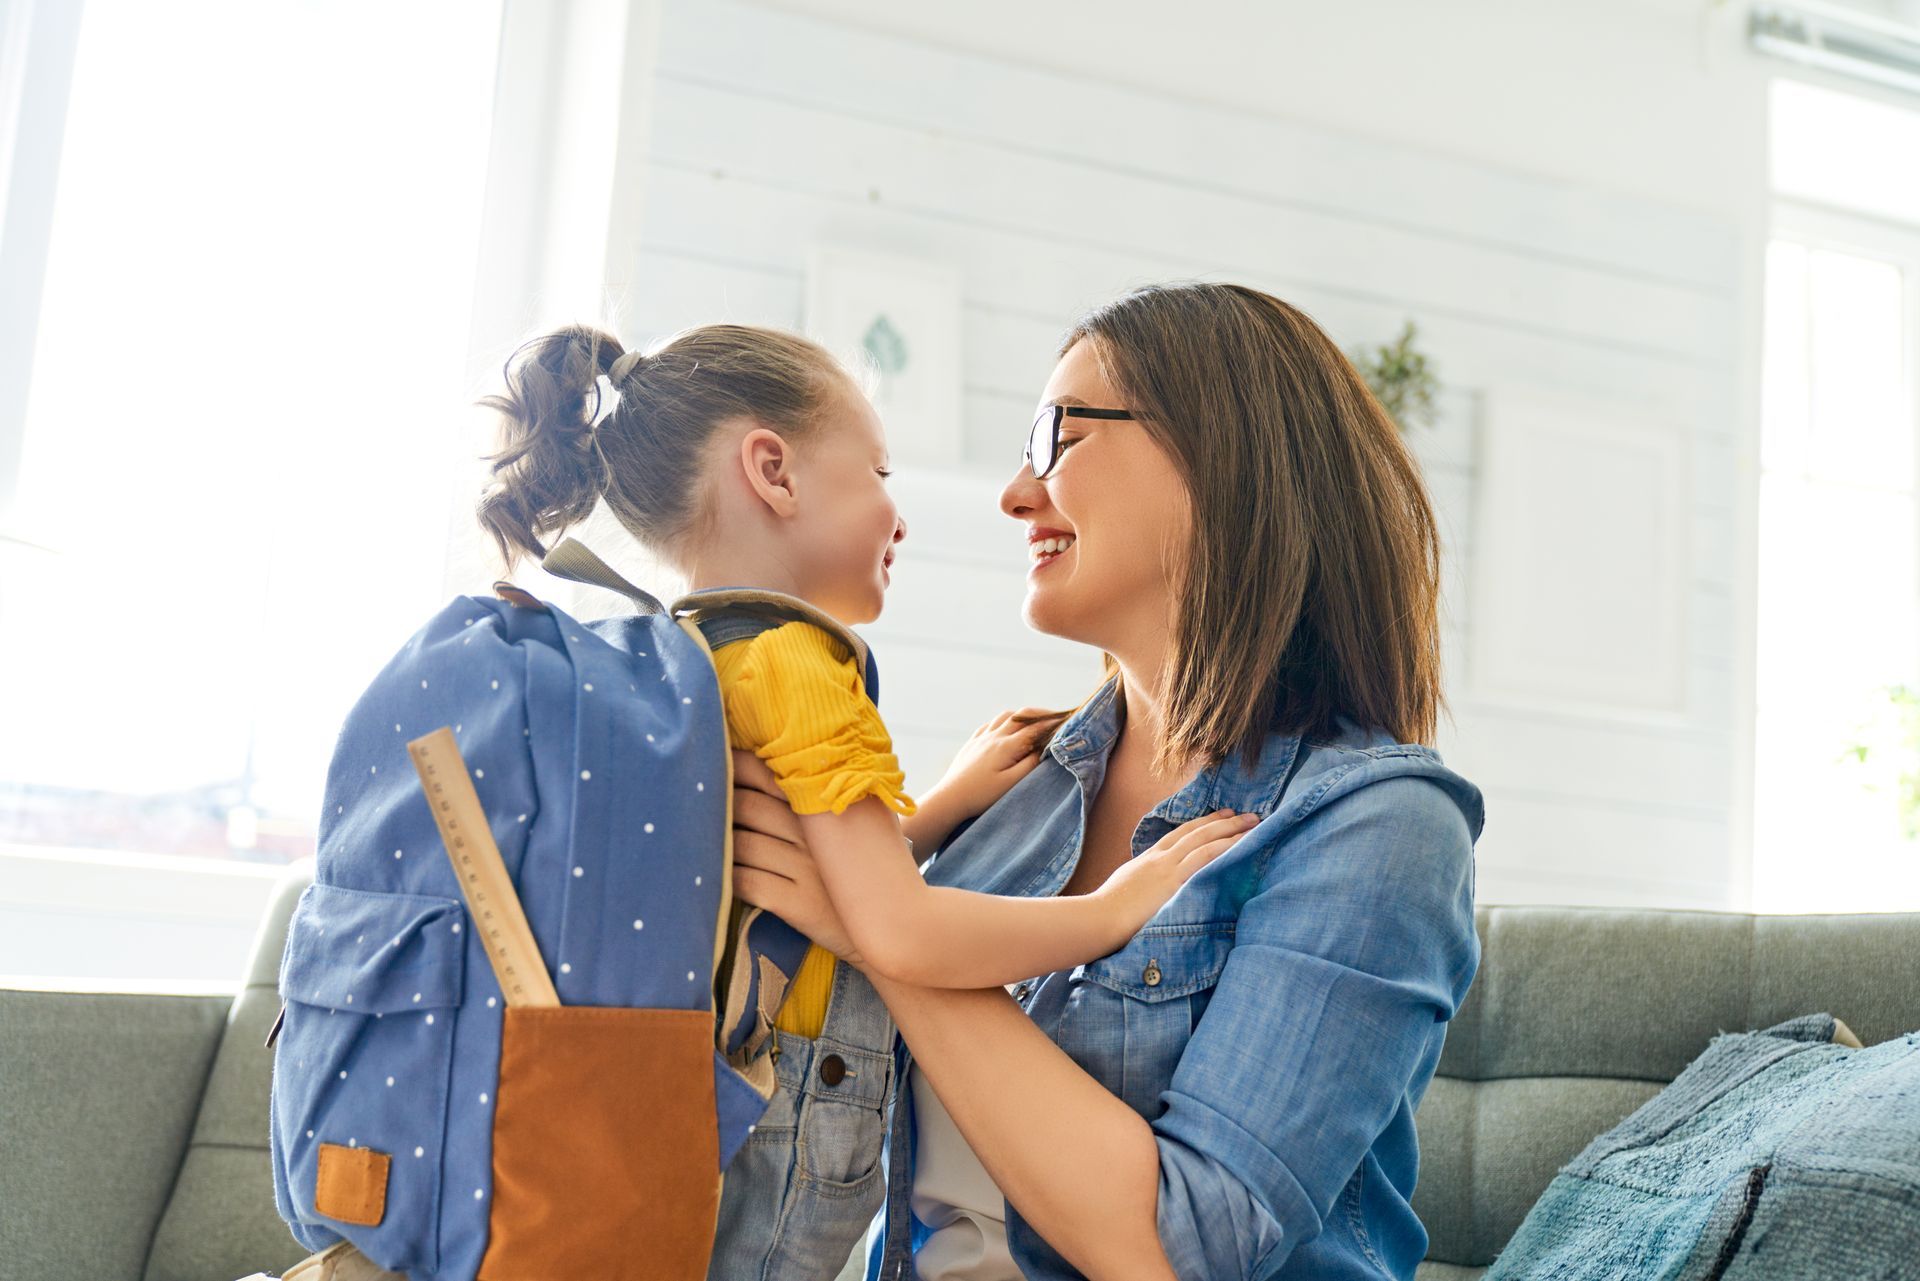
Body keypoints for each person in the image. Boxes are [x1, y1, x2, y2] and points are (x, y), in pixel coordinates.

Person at [728, 283, 1487, 1280]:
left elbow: (1183, 1245)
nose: (1014, 493)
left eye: (1057, 437)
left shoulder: (1378, 829)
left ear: (1224, 458)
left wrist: (887, 930)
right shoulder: (1014, 792)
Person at [473, 321, 1259, 1280]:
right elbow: (901, 930)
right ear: (774, 471)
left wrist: (932, 812)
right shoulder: (801, 665)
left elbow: (790, 866)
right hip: (786, 1101)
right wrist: (1111, 910)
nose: (898, 513)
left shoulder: (687, 655)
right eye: (880, 473)